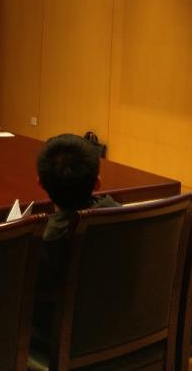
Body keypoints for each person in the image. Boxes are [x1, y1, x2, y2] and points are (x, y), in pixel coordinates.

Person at [31, 133, 120, 352]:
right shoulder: (123, 215)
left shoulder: (44, 242)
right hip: (119, 325)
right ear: (98, 183)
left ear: (40, 183)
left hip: (59, 340)